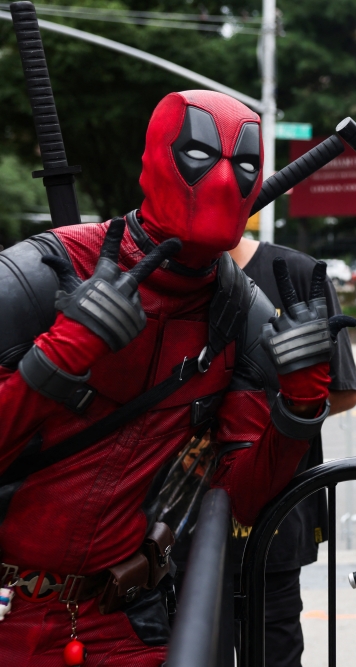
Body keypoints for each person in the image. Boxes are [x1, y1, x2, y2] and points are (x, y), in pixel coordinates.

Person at [0, 90, 337, 666]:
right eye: (201, 155)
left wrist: (301, 407)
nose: (226, 182)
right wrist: (57, 356)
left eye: (247, 164)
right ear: (157, 157)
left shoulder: (243, 314)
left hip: (124, 622)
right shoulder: (38, 275)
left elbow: (241, 496)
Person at [228, 235, 356, 667]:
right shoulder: (167, 271)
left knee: (272, 649)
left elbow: (342, 390)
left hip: (272, 517)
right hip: (174, 521)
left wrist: (284, 417)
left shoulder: (299, 272)